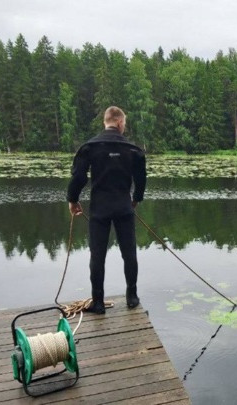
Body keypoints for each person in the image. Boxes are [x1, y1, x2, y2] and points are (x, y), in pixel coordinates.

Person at [67, 106, 146, 314]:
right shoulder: (133, 150)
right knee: (129, 254)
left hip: (99, 209)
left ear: (106, 122)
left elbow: (79, 177)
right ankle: (132, 297)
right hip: (123, 207)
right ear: (119, 123)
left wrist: (72, 200)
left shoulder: (90, 147)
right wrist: (136, 199)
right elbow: (141, 178)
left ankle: (99, 302)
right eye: (124, 123)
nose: (124, 126)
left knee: (97, 256)